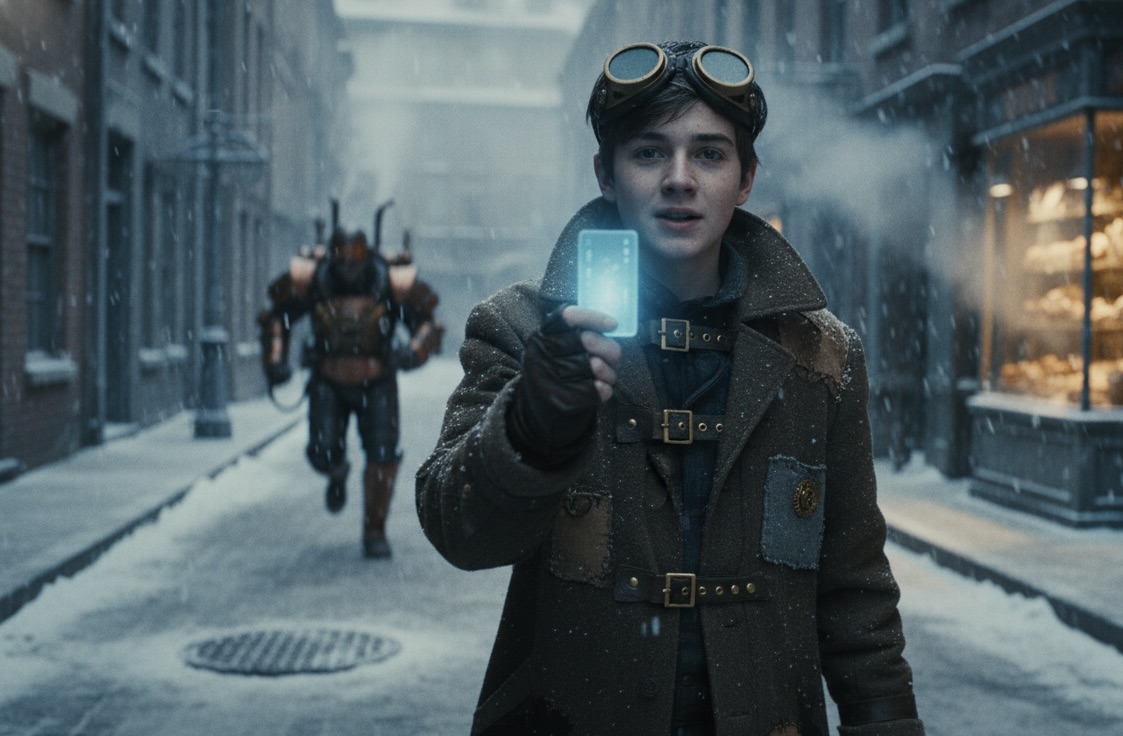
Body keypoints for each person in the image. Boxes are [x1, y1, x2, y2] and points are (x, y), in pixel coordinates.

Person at [415, 40, 922, 735]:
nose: (678, 178)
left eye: (709, 154)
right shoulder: (522, 328)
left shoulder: (820, 356)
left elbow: (854, 590)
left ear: (745, 179)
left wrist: (886, 722)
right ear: (606, 173)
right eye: (648, 153)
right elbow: (458, 531)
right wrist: (531, 426)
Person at [259, 214, 444, 559]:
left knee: (383, 456)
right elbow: (277, 317)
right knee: (322, 450)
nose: (347, 267)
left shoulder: (391, 280)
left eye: (352, 258)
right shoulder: (313, 279)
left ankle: (375, 530)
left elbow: (427, 324)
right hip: (327, 378)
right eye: (340, 258)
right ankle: (337, 470)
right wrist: (275, 361)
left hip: (377, 378)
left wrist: (412, 351)